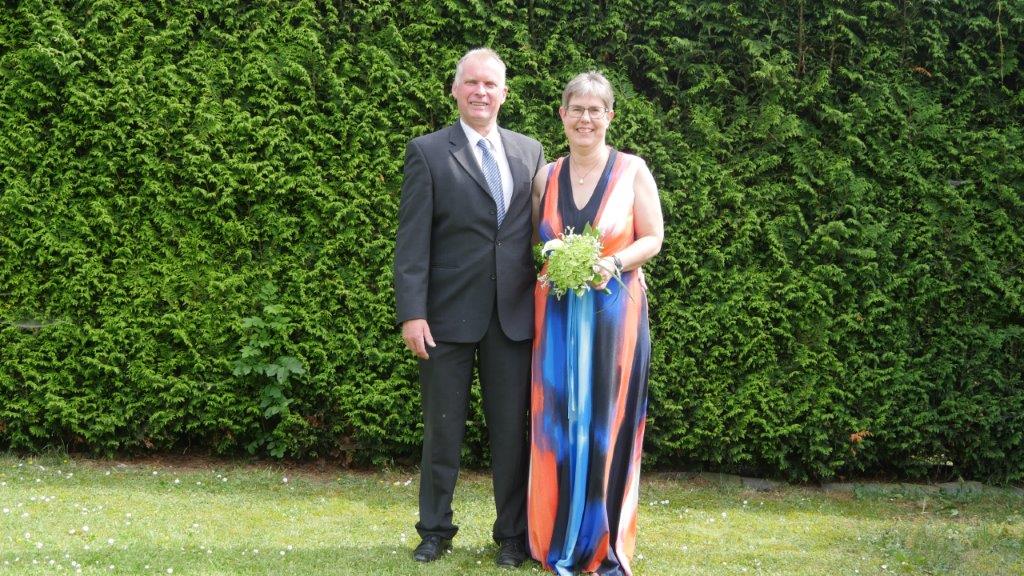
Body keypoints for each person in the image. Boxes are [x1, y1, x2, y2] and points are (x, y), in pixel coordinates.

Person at [393, 48, 545, 567]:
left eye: (490, 84)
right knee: (442, 431)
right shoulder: (428, 151)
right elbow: (412, 241)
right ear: (455, 90)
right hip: (445, 318)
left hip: (512, 318)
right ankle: (435, 530)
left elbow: (539, 232)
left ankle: (512, 537)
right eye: (472, 83)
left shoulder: (530, 151)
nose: (481, 92)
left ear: (505, 93)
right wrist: (412, 313)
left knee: (512, 434)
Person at [527, 71, 664, 576]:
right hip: (557, 320)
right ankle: (553, 535)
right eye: (576, 109)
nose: (585, 118)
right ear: (562, 114)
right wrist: (555, 256)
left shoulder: (633, 170)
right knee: (557, 423)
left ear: (610, 116)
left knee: (607, 423)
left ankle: (603, 541)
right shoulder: (546, 176)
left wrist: (615, 262)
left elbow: (653, 238)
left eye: (595, 110)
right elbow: (534, 239)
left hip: (614, 322)